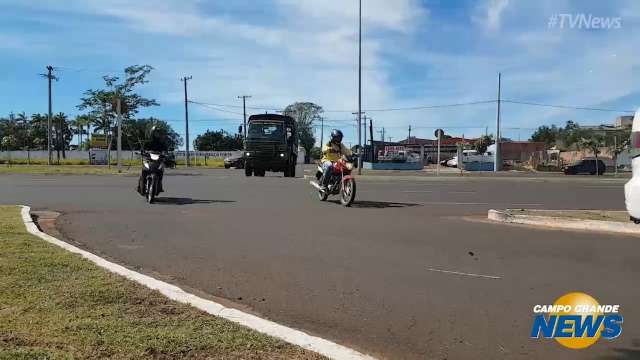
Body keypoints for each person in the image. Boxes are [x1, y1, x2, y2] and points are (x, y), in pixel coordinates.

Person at [137, 125, 168, 194]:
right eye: (156, 133)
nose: (157, 134)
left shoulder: (162, 143)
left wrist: (165, 154)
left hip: (158, 160)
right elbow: (143, 149)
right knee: (144, 170)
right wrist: (142, 152)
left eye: (158, 133)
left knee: (161, 171)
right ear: (152, 133)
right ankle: (140, 185)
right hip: (149, 159)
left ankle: (159, 185)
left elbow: (165, 150)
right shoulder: (148, 142)